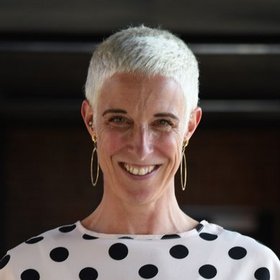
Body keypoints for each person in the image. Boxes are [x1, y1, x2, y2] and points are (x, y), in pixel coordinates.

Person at [0, 26, 279, 280]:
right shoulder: (26, 268)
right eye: (119, 120)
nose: (141, 147)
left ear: (189, 127)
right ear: (90, 121)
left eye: (163, 123)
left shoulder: (251, 268)